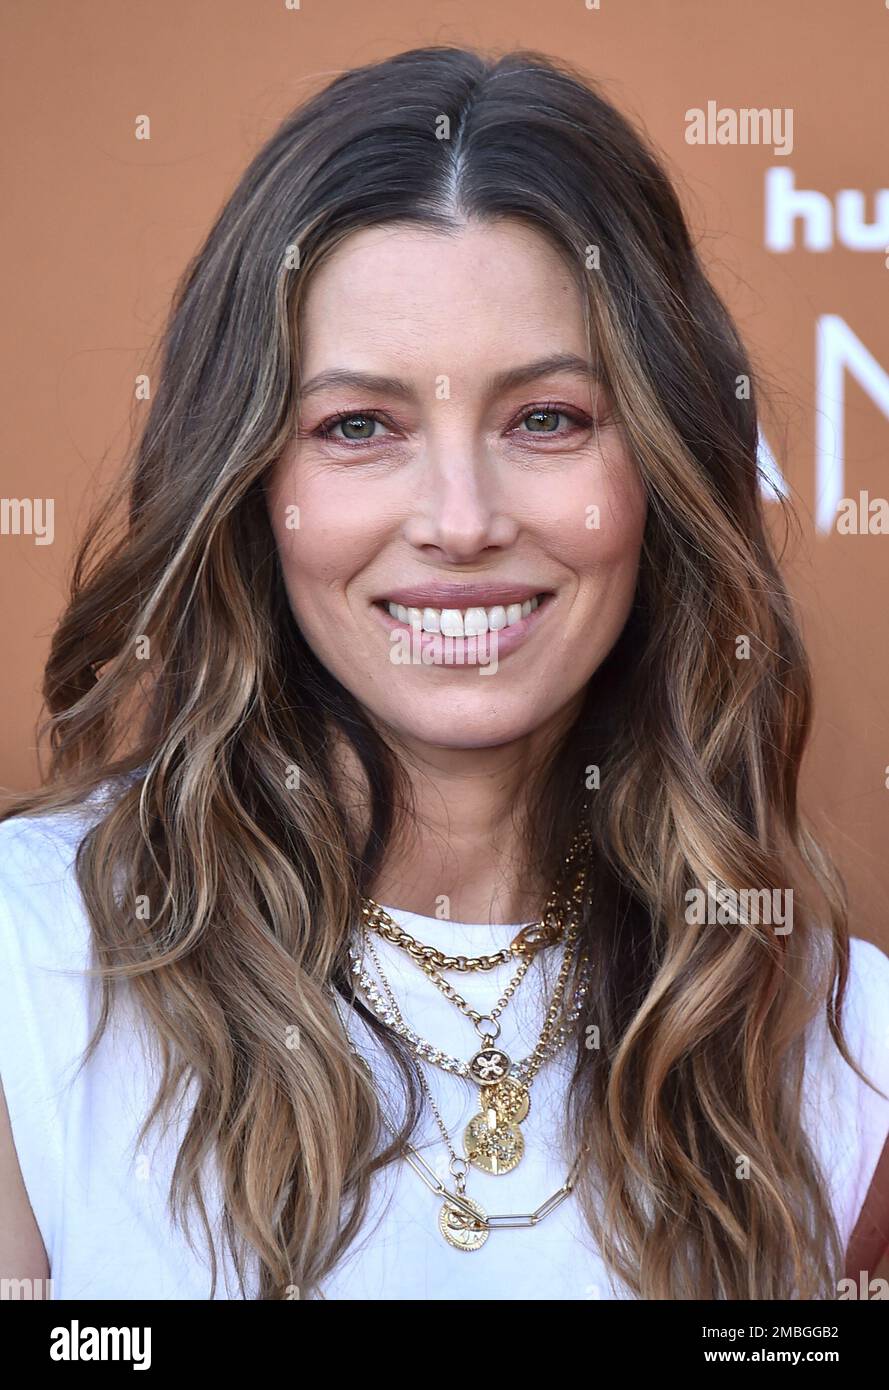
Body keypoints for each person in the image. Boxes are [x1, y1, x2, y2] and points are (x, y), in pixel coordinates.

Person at [1, 44, 887, 1302]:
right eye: (358, 427)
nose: (460, 518)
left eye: (547, 419)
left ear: (660, 471)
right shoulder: (27, 971)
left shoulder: (842, 1043)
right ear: (252, 482)